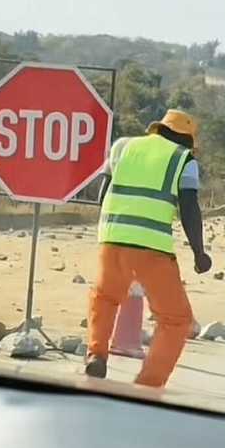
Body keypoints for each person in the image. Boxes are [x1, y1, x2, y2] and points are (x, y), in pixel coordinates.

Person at [85, 109, 212, 386]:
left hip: (111, 238)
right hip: (152, 247)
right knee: (176, 320)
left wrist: (109, 230)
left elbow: (102, 194)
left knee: (105, 298)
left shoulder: (122, 147)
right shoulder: (183, 159)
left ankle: (96, 354)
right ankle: (149, 383)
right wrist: (199, 252)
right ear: (187, 139)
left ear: (158, 129)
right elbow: (189, 207)